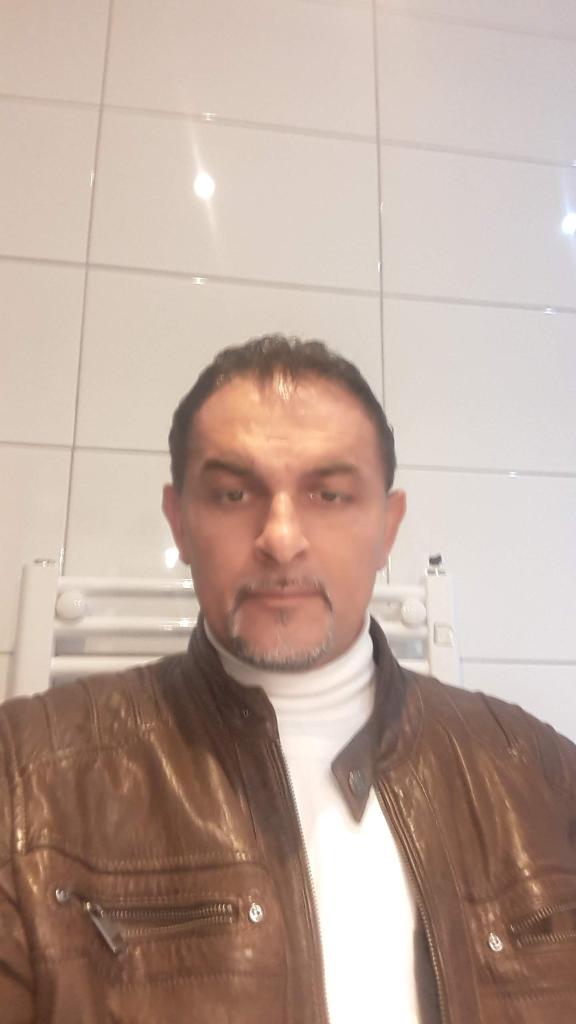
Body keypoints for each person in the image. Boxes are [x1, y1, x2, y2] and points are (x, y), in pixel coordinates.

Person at [0, 335, 575, 1024]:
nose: (280, 537)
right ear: (180, 523)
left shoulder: (543, 776)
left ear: (387, 528)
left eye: (329, 495)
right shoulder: (25, 777)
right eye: (232, 493)